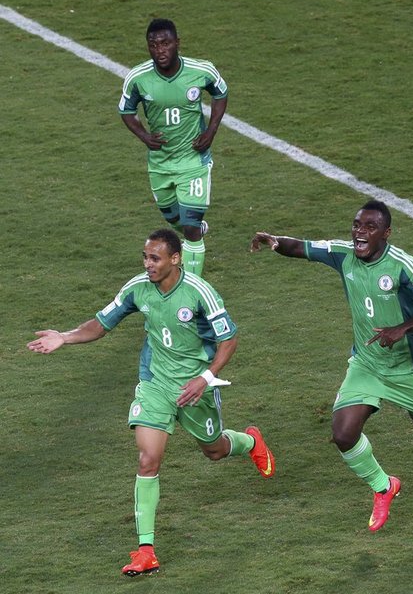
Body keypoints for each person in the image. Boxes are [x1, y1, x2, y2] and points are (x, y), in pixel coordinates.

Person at [27, 228, 275, 576]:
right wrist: (64, 337)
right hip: (155, 384)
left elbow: (229, 339)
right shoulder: (137, 288)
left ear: (175, 258)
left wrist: (205, 378)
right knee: (148, 460)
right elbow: (101, 324)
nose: (148, 264)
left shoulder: (199, 292)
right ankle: (146, 551)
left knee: (214, 450)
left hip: (195, 387)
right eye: (145, 257)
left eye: (155, 258)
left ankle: (249, 441)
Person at [251, 199, 413, 532]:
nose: (360, 232)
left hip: (406, 368)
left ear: (386, 233)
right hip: (366, 365)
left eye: (370, 227)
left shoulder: (404, 265)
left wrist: (402, 328)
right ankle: (383, 486)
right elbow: (302, 247)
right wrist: (274, 242)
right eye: (357, 225)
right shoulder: (343, 254)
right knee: (343, 434)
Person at [118, 18, 229, 276]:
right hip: (160, 163)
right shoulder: (138, 78)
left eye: (166, 43)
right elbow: (126, 110)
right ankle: (196, 228)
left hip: (193, 160)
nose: (160, 50)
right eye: (153, 45)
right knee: (174, 219)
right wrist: (144, 136)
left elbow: (220, 93)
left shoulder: (201, 70)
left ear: (177, 43)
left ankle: (192, 286)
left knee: (190, 228)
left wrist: (211, 130)